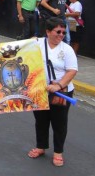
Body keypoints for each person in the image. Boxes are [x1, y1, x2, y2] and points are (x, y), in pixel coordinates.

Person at [28, 17, 78, 167]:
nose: (61, 34)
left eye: (63, 32)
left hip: (61, 92)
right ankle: (41, 146)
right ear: (48, 32)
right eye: (58, 31)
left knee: (59, 123)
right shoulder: (38, 44)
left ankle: (58, 152)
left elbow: (72, 71)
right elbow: (22, 50)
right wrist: (29, 40)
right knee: (41, 120)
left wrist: (59, 85)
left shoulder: (66, 49)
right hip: (40, 90)